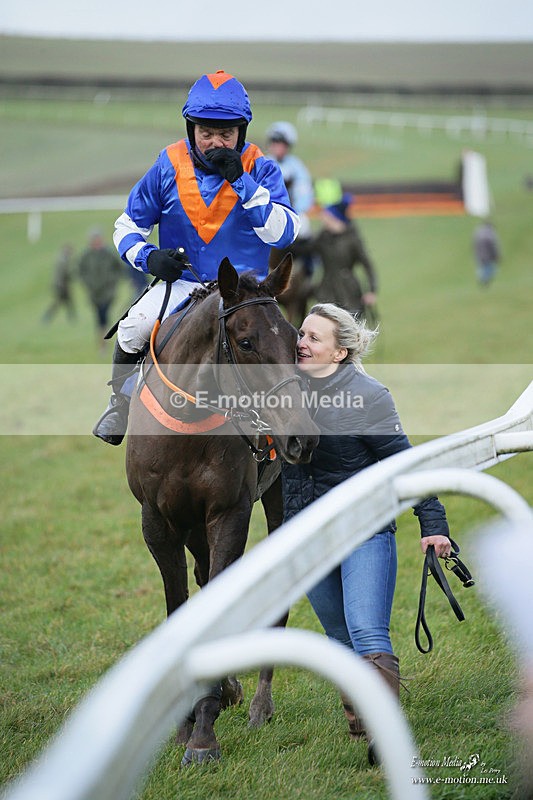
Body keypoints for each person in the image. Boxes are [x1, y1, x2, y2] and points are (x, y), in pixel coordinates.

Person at [281, 303, 451, 763]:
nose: (301, 341)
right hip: (305, 536)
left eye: (315, 338)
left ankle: (384, 734)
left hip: (364, 529)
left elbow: (404, 463)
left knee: (365, 629)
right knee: (339, 637)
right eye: (302, 333)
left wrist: (433, 525)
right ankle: (361, 721)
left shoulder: (369, 395)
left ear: (339, 353)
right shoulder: (281, 391)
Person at [92, 71, 300, 446]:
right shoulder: (168, 164)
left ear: (241, 131)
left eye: (226, 134)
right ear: (191, 130)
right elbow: (126, 227)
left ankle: (293, 422)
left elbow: (283, 232)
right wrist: (149, 257)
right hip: (183, 285)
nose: (215, 143)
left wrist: (242, 182)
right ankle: (119, 405)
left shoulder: (261, 167)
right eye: (206, 133)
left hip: (245, 292)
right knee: (133, 327)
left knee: (286, 345)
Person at [312, 186, 378, 319]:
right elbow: (307, 250)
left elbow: (367, 264)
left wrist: (371, 290)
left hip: (349, 292)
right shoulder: (323, 237)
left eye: (326, 214)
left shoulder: (352, 239)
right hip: (327, 289)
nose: (322, 217)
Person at [265, 121, 315, 275]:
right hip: (267, 212)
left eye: (282, 144)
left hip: (291, 212)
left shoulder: (297, 166)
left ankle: (308, 272)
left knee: (305, 229)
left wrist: (298, 210)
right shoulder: (263, 162)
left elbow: (304, 192)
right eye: (275, 143)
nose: (278, 147)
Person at [78, 228, 123, 346]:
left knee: (104, 314)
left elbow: (119, 268)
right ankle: (102, 340)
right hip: (94, 293)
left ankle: (104, 341)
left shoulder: (109, 253)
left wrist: (113, 281)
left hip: (108, 292)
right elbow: (80, 270)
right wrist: (88, 282)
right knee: (99, 316)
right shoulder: (86, 255)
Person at [41, 243, 76, 323]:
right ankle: (47, 317)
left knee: (67, 302)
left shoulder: (61, 259)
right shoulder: (63, 260)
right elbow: (64, 274)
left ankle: (72, 317)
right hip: (61, 286)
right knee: (59, 303)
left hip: (60, 285)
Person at [473, 219, 501, 287]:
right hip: (488, 256)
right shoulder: (490, 234)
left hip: (480, 256)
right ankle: (485, 282)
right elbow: (494, 246)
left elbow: (474, 246)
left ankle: (482, 281)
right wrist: (497, 256)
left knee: (483, 269)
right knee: (489, 269)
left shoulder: (478, 233)